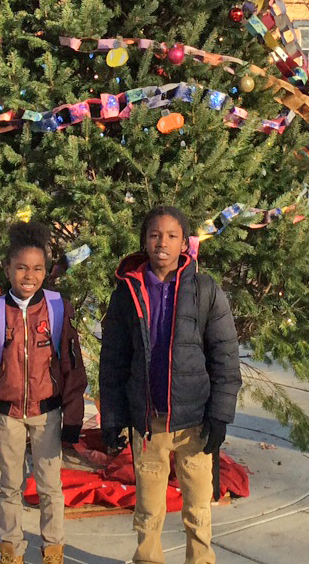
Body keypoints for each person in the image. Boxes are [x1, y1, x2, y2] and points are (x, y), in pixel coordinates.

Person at [99, 205, 242, 564]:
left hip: (194, 422)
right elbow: (113, 358)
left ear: (184, 244)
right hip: (148, 425)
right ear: (144, 241)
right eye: (154, 235)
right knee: (148, 508)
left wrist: (220, 416)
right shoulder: (127, 292)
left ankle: (200, 559)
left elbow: (225, 354)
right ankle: (148, 558)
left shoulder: (205, 290)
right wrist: (113, 416)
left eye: (172, 235)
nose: (162, 242)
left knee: (197, 506)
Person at [0, 221, 87, 564]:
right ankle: (11, 550)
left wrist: (73, 420)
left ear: (46, 271)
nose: (28, 275)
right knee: (10, 486)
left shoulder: (58, 310)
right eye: (21, 268)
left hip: (47, 413)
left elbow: (73, 370)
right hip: (7, 418)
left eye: (37, 268)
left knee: (50, 487)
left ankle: (53, 550)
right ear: (7, 269)